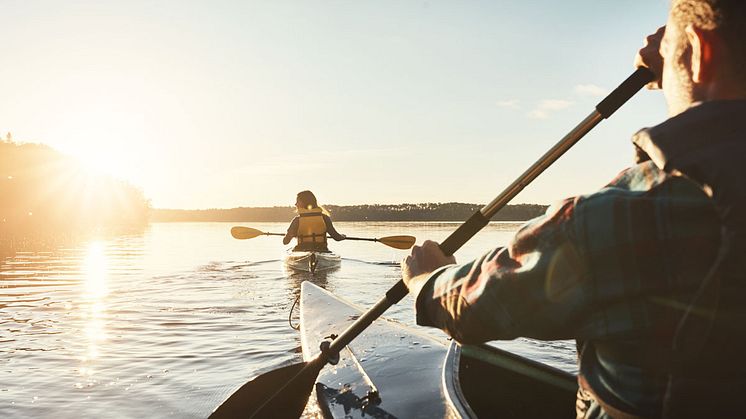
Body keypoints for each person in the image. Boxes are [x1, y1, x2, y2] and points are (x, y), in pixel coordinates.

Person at [401, 1, 746, 417]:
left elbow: (475, 308)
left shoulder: (627, 215)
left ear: (700, 47)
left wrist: (425, 279)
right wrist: (683, 60)